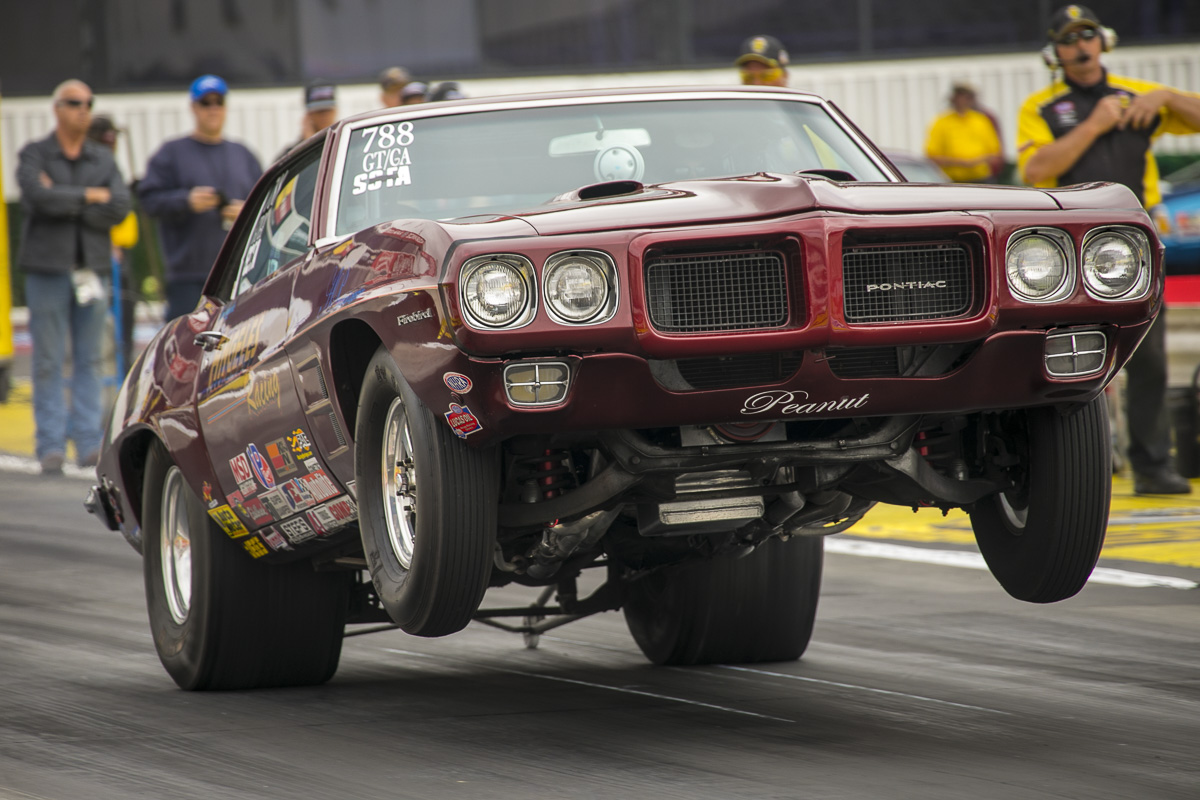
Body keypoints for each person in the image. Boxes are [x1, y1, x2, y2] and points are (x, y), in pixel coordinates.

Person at [1018, 4, 1200, 495]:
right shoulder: (1041, 108)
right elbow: (1036, 172)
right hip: (1071, 244)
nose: (1080, 48)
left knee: (1150, 357)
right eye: (1069, 40)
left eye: (1088, 37)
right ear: (1054, 53)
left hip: (1135, 240)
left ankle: (1152, 464)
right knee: (1069, 355)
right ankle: (1075, 466)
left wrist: (1165, 95)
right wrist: (1095, 125)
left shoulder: (1137, 97)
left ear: (1105, 42)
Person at [16, 79, 131, 474]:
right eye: (74, 103)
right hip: (47, 270)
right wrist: (87, 196)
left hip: (91, 270)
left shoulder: (103, 159)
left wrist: (64, 197)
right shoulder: (35, 154)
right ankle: (49, 444)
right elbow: (35, 196)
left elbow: (118, 206)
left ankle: (86, 441)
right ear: (58, 109)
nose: (83, 109)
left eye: (88, 103)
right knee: (48, 359)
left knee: (91, 358)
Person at [139, 75, 262, 322]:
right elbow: (148, 200)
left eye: (219, 101)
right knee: (186, 350)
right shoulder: (172, 153)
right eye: (206, 102)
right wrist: (186, 201)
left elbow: (269, 205)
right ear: (194, 107)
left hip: (238, 275)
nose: (213, 108)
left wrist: (246, 213)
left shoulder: (243, 154)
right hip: (188, 276)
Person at [87, 114, 137, 374]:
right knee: (108, 322)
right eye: (106, 137)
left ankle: (124, 366)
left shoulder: (110, 165)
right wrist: (108, 246)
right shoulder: (92, 167)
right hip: (107, 255)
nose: (112, 141)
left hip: (121, 252)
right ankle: (109, 373)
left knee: (126, 316)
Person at [924, 82, 1004, 183]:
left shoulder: (981, 120)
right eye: (961, 97)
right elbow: (931, 156)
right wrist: (960, 162)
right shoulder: (941, 122)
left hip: (981, 178)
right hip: (953, 180)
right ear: (953, 99)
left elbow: (995, 153)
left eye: (967, 97)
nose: (964, 101)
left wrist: (977, 161)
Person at [277, 80, 339, 160]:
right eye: (319, 111)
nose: (324, 116)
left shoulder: (344, 144)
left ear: (335, 111)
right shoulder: (292, 154)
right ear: (308, 115)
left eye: (328, 110)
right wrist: (309, 144)